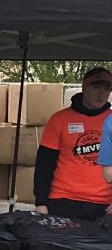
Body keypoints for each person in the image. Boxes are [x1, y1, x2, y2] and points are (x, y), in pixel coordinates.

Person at [34, 67, 112, 219]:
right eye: (96, 87)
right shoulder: (59, 119)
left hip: (104, 205)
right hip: (63, 200)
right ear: (84, 87)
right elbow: (44, 164)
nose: (101, 93)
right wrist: (41, 202)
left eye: (107, 88)